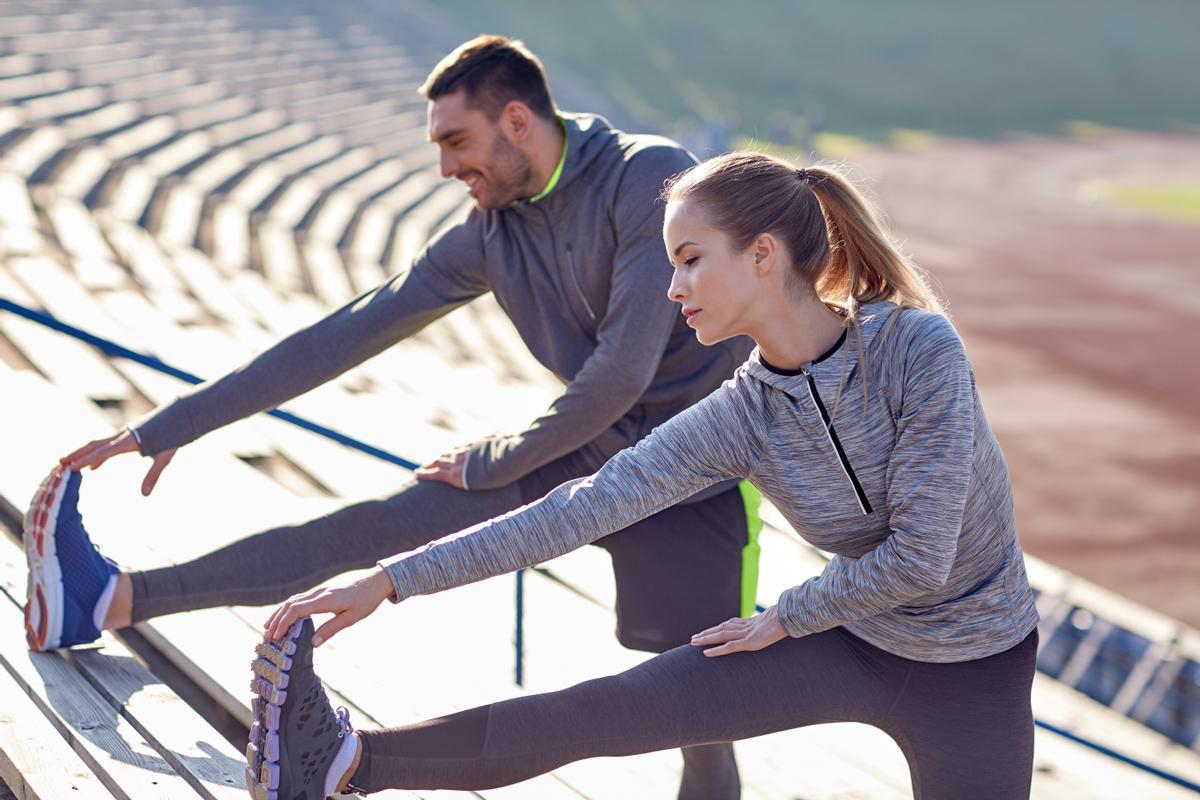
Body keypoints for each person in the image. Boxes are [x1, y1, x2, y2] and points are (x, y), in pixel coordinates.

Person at [30, 35, 756, 798]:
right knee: (368, 529)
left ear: (516, 121)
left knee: (699, 716)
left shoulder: (648, 178)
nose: (445, 167)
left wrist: (496, 460)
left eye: (456, 140)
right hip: (581, 446)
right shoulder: (492, 231)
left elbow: (621, 373)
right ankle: (105, 599)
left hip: (692, 471)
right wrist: (169, 424)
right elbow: (348, 330)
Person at [243, 152, 1042, 800]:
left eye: (692, 260)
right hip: (850, 637)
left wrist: (787, 617)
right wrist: (387, 581)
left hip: (975, 667)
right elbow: (579, 510)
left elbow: (923, 556)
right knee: (609, 710)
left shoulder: (917, 350)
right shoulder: (743, 414)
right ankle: (345, 763)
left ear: (763, 254)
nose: (673, 287)